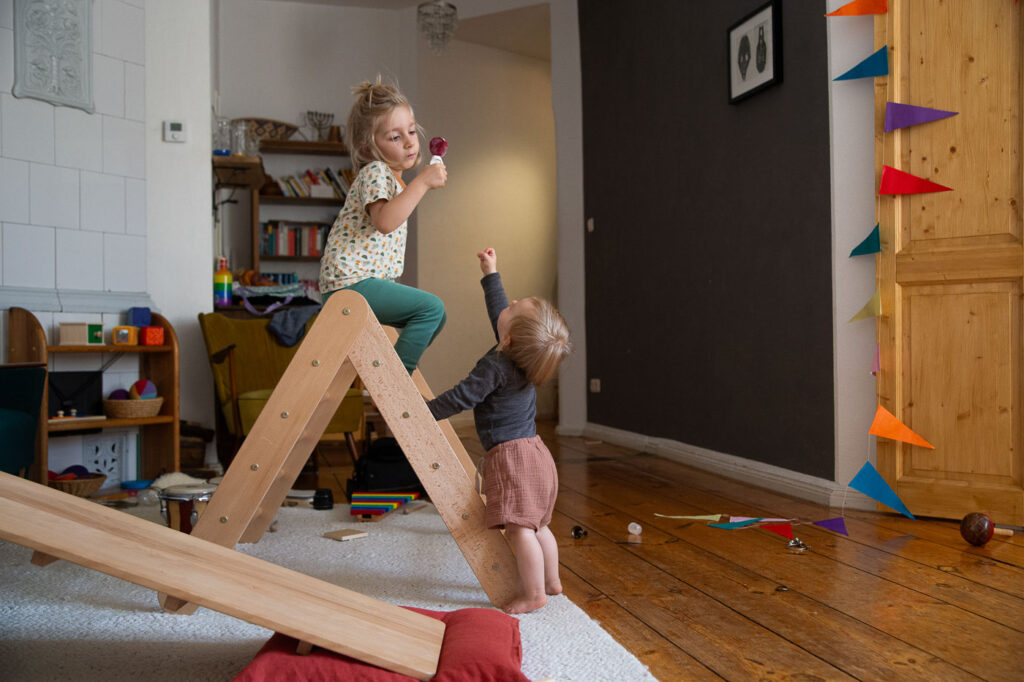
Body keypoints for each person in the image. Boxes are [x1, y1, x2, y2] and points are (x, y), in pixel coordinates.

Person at [427, 248, 571, 614]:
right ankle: (552, 582)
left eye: (517, 305)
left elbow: (463, 396)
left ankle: (533, 593)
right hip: (537, 453)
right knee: (540, 526)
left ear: (507, 340)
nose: (513, 301)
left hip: (512, 458)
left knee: (520, 530)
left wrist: (426, 412)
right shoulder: (522, 354)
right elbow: (501, 312)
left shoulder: (495, 365)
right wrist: (491, 273)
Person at [319, 76, 447, 373]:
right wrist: (423, 183)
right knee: (431, 308)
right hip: (350, 284)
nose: (409, 141)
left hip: (364, 283)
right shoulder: (375, 170)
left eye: (412, 131)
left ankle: (388, 370)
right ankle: (393, 376)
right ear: (367, 149)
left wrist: (415, 185)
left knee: (435, 316)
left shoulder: (394, 179)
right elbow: (385, 221)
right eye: (395, 137)